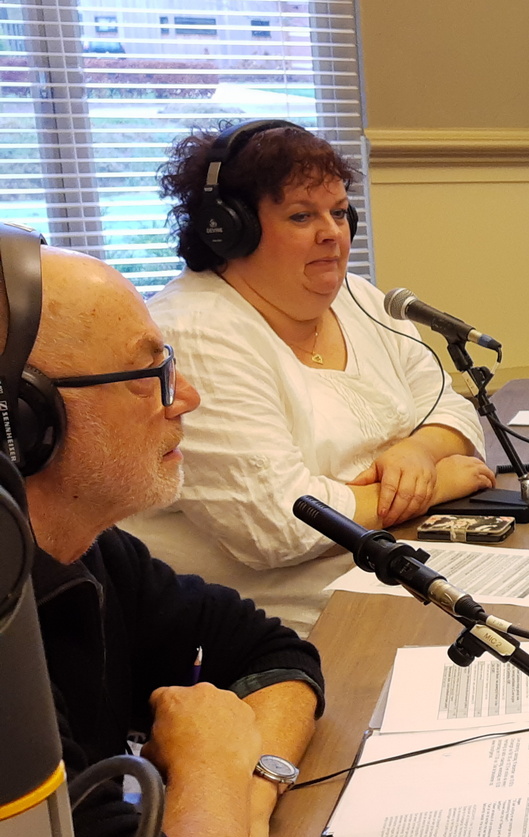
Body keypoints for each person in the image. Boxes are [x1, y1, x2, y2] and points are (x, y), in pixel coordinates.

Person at [23, 245, 324, 837]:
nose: (185, 397)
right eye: (149, 374)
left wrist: (247, 798)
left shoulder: (87, 549)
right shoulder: (7, 641)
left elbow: (276, 653)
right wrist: (210, 767)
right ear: (27, 418)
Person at [128, 120, 493, 634]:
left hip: (398, 569)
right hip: (284, 625)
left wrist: (418, 453)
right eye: (302, 216)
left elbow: (451, 410)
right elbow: (279, 526)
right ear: (229, 229)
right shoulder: (195, 333)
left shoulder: (360, 299)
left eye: (339, 213)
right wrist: (431, 486)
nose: (332, 233)